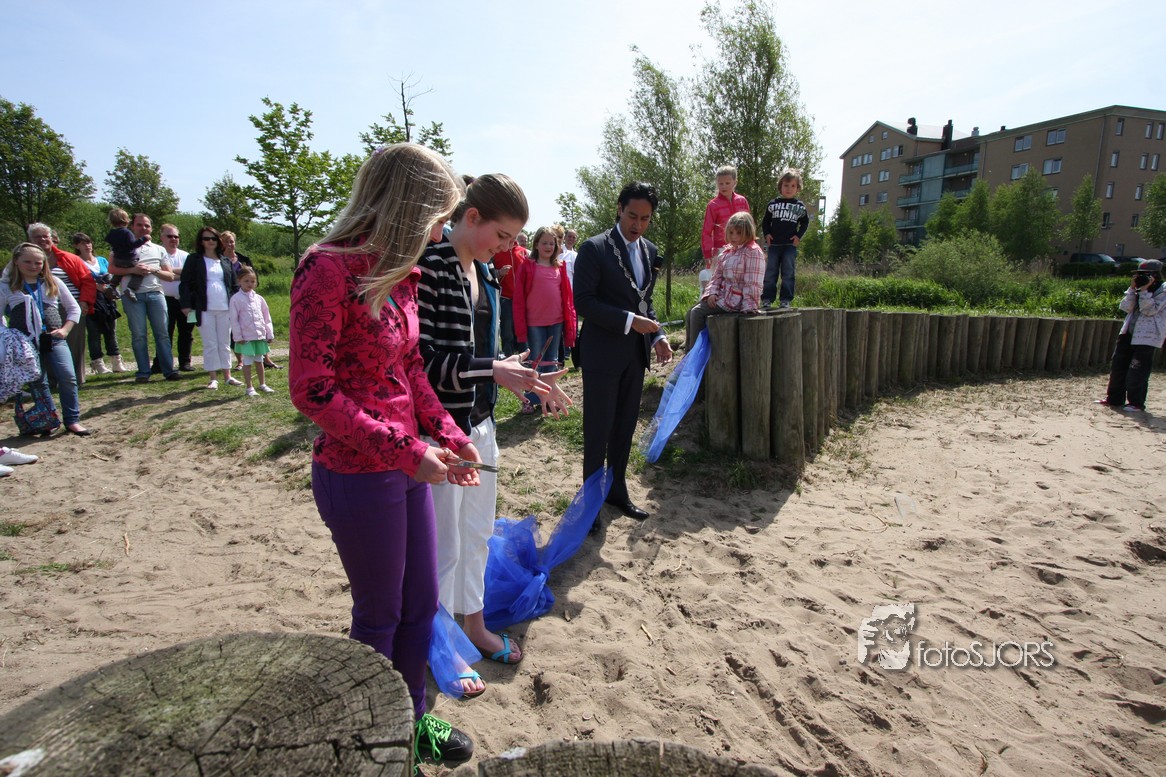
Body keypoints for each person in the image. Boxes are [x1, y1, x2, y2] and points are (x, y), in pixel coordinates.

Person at [289, 142, 478, 770]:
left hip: (405, 465)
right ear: (407, 207)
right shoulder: (326, 268)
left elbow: (411, 368)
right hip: (357, 471)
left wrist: (448, 432)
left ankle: (412, 722)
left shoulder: (403, 274)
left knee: (420, 605)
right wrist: (406, 449)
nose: (440, 233)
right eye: (437, 218)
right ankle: (370, 743)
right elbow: (312, 390)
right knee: (380, 613)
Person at [417, 175, 568, 696]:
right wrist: (492, 369)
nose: (507, 248)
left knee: (478, 531)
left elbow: (487, 355)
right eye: (502, 236)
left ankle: (474, 624)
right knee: (443, 543)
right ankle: (439, 643)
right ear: (472, 216)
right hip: (441, 430)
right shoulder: (431, 266)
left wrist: (524, 373)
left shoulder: (483, 271)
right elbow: (421, 363)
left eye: (513, 239)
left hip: (481, 423)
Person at [573, 181, 673, 522]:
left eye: (645, 219)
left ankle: (616, 491)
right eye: (632, 215)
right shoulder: (594, 248)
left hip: (635, 356)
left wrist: (657, 335)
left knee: (624, 427)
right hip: (601, 355)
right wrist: (630, 321)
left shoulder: (651, 251)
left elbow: (645, 302)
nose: (637, 224)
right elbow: (584, 302)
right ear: (619, 209)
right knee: (598, 430)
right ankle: (589, 504)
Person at [0, 243, 90, 435]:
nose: (33, 266)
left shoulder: (53, 282)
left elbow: (74, 308)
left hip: (54, 338)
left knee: (68, 376)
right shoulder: (7, 286)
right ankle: (48, 419)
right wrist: (8, 337)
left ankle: (72, 420)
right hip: (25, 344)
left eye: (38, 262)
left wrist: (65, 330)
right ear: (16, 261)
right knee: (39, 382)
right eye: (28, 262)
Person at [107, 214, 180, 383]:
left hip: (155, 293)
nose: (143, 228)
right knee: (139, 335)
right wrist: (132, 270)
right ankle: (143, 372)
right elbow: (111, 269)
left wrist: (153, 270)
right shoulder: (122, 245)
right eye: (139, 225)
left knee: (162, 334)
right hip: (132, 296)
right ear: (132, 226)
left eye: (147, 225)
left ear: (151, 228)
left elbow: (169, 276)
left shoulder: (158, 249)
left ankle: (169, 370)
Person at [513, 225, 577, 413]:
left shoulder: (560, 267)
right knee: (535, 361)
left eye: (551, 243)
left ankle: (549, 398)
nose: (548, 247)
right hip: (534, 322)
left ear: (556, 246)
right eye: (544, 243)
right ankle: (530, 399)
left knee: (552, 360)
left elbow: (566, 296)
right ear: (536, 244)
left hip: (556, 321)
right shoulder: (527, 266)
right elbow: (519, 297)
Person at [27, 223, 96, 387]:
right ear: (30, 239)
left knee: (74, 344)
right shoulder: (23, 261)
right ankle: (51, 380)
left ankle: (76, 379)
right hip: (38, 310)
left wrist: (84, 302)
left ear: (52, 238)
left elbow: (88, 281)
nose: (42, 239)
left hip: (71, 308)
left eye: (46, 236)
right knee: (45, 344)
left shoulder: (69, 258)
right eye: (38, 237)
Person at [685, 211, 766, 349]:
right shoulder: (727, 252)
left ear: (747, 232)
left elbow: (752, 282)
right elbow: (717, 277)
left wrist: (749, 306)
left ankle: (695, 353)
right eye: (731, 232)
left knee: (697, 313)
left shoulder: (753, 252)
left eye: (738, 233)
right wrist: (712, 293)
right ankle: (690, 350)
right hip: (723, 297)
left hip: (736, 301)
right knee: (690, 312)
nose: (734, 236)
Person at [1097, 259, 1166, 412]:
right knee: (1118, 366)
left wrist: (1144, 291)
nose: (1141, 277)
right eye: (1139, 274)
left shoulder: (1163, 290)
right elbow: (1125, 307)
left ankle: (1136, 403)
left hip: (1148, 337)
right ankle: (1114, 399)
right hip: (1128, 332)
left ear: (1156, 275)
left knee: (1137, 370)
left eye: (1145, 275)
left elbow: (1150, 310)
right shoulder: (1137, 289)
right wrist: (1132, 288)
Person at [180, 227, 240, 390]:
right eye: (206, 239)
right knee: (210, 343)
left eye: (213, 238)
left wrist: (237, 305)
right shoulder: (194, 260)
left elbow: (234, 285)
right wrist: (186, 305)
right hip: (204, 308)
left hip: (225, 308)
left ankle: (227, 375)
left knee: (225, 342)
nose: (210, 241)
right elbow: (185, 283)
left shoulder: (225, 261)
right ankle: (213, 378)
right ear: (201, 241)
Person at [221, 231, 279, 372]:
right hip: (230, 295)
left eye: (231, 241)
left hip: (249, 296)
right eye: (226, 241)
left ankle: (265, 358)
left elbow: (253, 275)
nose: (229, 244)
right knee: (237, 326)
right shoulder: (219, 260)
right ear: (221, 243)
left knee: (256, 323)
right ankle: (240, 360)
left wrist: (252, 286)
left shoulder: (243, 259)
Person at [72, 232, 125, 375]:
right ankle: (98, 363)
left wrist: (109, 287)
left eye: (89, 242)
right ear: (77, 246)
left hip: (107, 299)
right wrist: (95, 285)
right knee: (94, 332)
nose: (87, 245)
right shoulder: (77, 261)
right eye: (83, 243)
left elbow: (111, 275)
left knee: (111, 330)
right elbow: (78, 280)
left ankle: (116, 361)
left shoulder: (101, 260)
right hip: (91, 300)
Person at [760, 168, 809, 308]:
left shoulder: (799, 206)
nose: (789, 189)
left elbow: (805, 222)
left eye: (793, 186)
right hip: (774, 245)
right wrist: (767, 234)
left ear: (797, 188)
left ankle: (785, 300)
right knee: (770, 273)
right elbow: (765, 221)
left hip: (789, 246)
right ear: (780, 186)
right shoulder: (773, 204)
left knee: (788, 273)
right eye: (786, 185)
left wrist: (798, 236)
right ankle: (767, 299)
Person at [229, 265, 275, 397]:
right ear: (239, 281)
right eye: (246, 281)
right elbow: (234, 319)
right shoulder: (236, 299)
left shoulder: (259, 299)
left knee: (259, 361)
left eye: (252, 281)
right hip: (246, 338)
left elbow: (266, 316)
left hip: (259, 336)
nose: (250, 284)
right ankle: (249, 387)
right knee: (248, 362)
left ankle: (262, 384)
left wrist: (269, 333)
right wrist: (238, 336)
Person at [158, 224, 196, 372]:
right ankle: (161, 363)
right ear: (162, 237)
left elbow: (190, 275)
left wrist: (167, 271)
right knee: (165, 332)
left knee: (186, 332)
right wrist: (178, 274)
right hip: (164, 299)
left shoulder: (186, 256)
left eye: (176, 236)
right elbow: (159, 274)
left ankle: (185, 362)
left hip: (185, 300)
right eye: (170, 236)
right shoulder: (157, 254)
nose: (173, 239)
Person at [700, 165, 751, 271]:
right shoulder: (713, 205)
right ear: (717, 183)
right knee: (720, 278)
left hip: (742, 247)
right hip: (721, 249)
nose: (724, 186)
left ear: (735, 182)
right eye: (721, 183)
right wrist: (708, 253)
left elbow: (749, 226)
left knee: (740, 277)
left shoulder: (742, 201)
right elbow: (707, 231)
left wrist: (751, 244)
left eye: (727, 183)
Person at [492, 232, 528, 357]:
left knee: (522, 330)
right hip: (505, 297)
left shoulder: (523, 251)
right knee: (507, 332)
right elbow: (489, 272)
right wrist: (499, 272)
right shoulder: (497, 250)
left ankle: (525, 358)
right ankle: (508, 356)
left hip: (521, 298)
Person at [105, 208, 149, 301]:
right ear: (126, 220)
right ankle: (131, 288)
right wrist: (144, 239)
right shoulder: (127, 232)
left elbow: (108, 240)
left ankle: (112, 285)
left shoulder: (112, 233)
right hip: (129, 258)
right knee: (140, 272)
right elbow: (133, 245)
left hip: (117, 258)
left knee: (119, 273)